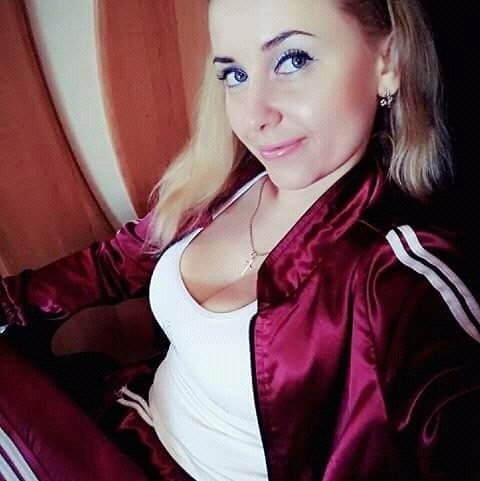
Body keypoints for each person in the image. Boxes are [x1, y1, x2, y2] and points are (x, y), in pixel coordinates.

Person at [1, 0, 480, 480]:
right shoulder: (229, 180)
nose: (254, 116)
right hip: (117, 422)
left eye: (292, 60)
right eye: (234, 75)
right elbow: (113, 263)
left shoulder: (398, 271)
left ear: (388, 63)